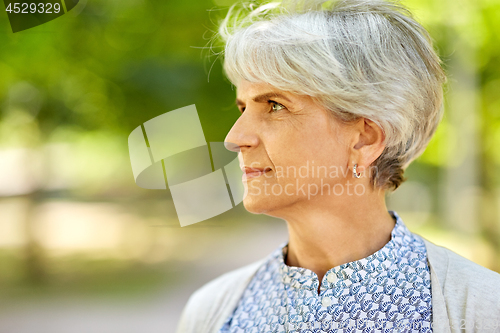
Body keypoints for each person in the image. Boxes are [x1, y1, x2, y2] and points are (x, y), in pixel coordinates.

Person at [176, 0, 500, 331]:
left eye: (274, 106)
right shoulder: (211, 313)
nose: (235, 137)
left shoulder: (483, 310)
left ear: (365, 140)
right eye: (242, 108)